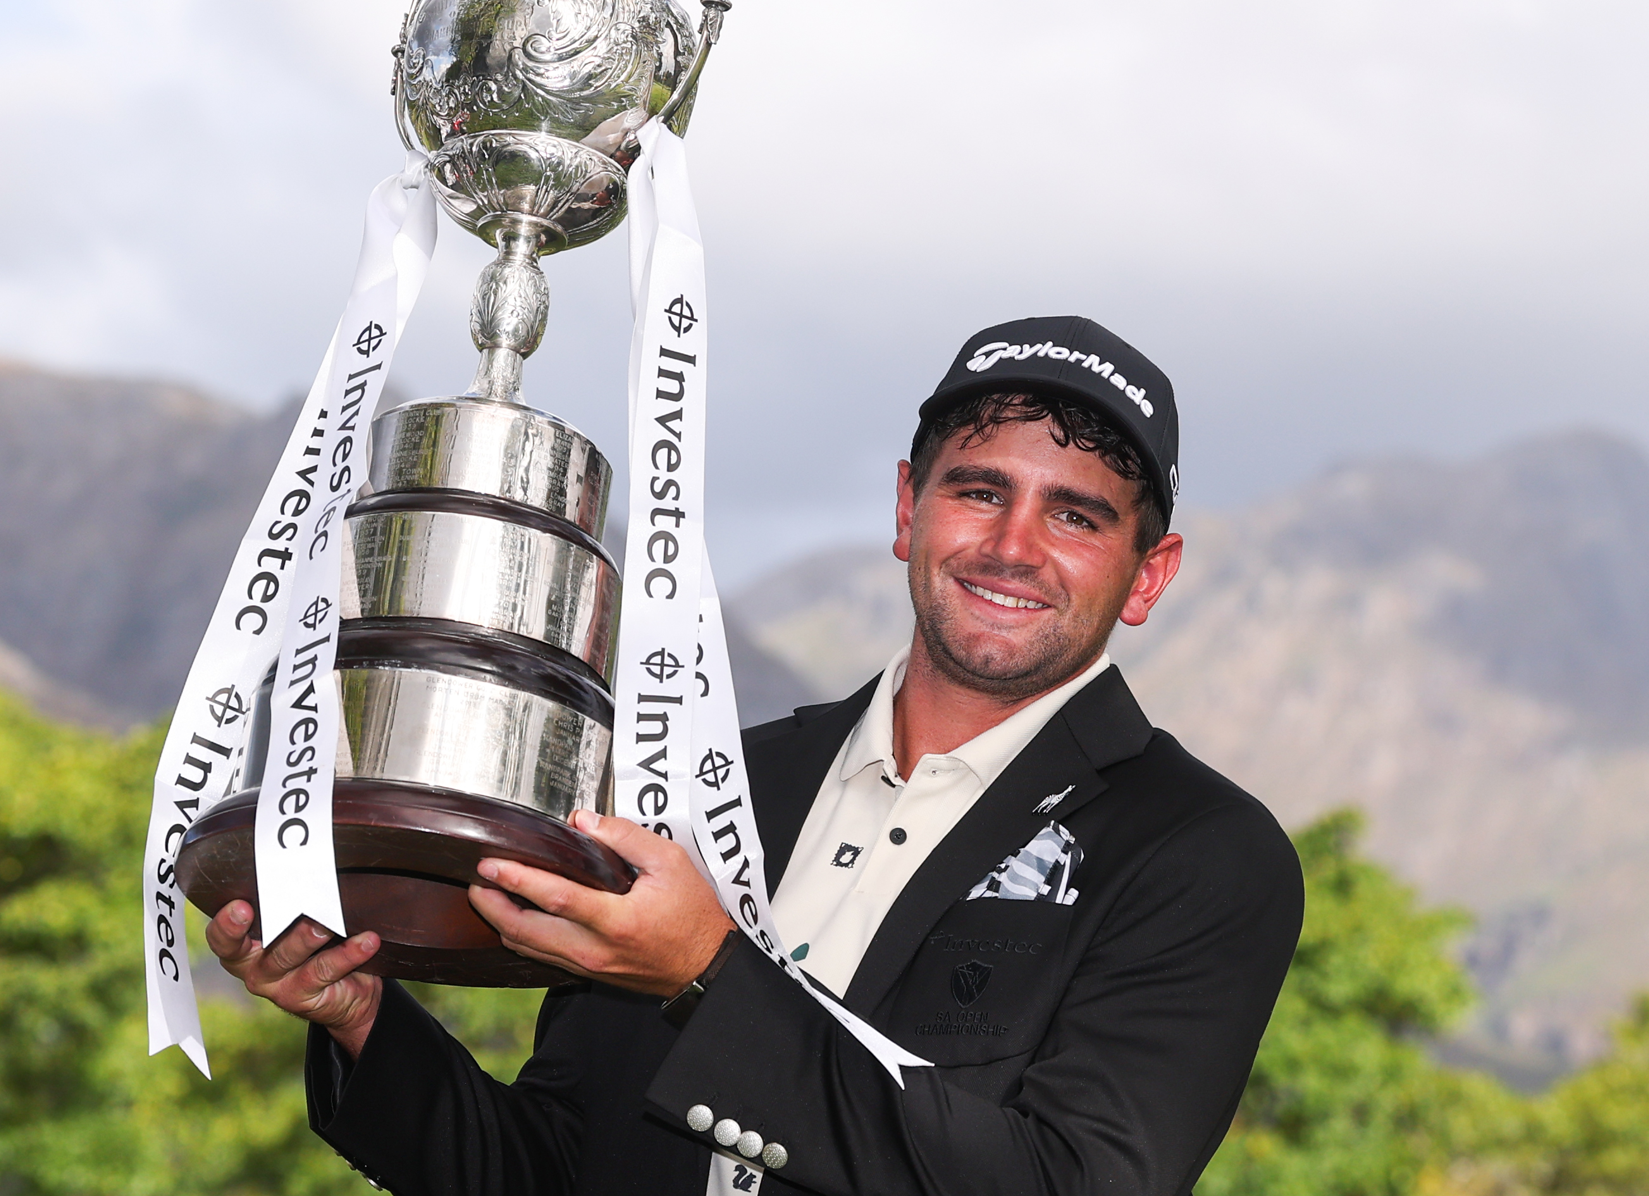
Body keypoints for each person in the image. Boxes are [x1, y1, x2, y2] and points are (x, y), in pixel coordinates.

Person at [207, 315, 1305, 1196]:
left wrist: (707, 973)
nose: (1012, 545)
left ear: (1148, 573)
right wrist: (363, 1022)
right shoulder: (716, 786)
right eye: (979, 489)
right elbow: (549, 1162)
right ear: (905, 508)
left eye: (1076, 515)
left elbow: (1070, 1178)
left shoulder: (1200, 854)